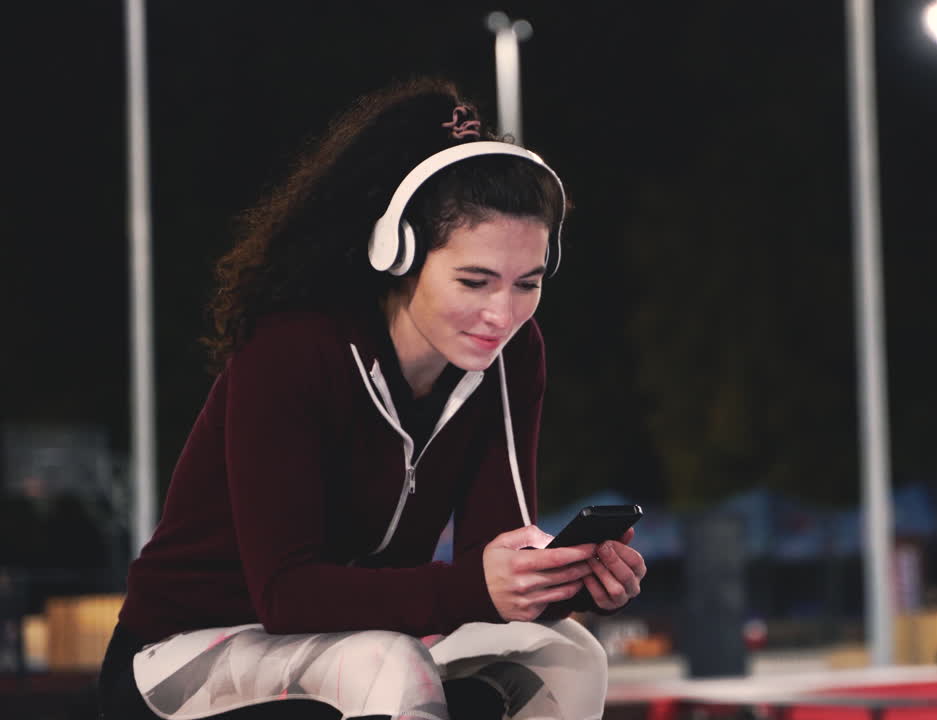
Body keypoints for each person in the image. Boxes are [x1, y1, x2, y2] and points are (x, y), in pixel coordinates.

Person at [98, 76, 646, 720]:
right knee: (385, 662)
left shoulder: (511, 358)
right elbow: (286, 594)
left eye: (527, 283)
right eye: (474, 280)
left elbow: (488, 558)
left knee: (568, 652)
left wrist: (562, 583)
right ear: (399, 252)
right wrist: (477, 585)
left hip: (364, 638)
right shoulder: (292, 350)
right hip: (181, 654)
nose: (502, 313)